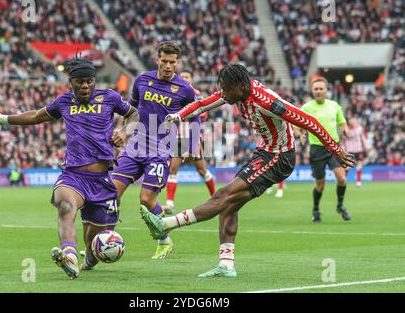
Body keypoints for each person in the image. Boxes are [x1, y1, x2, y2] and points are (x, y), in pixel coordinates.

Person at [140, 64, 355, 277]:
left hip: (279, 157)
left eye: (226, 89)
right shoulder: (235, 92)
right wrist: (178, 116)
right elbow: (202, 104)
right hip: (264, 153)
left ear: (241, 87)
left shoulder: (268, 103)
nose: (222, 93)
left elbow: (309, 121)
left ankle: (166, 224)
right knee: (229, 205)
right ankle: (226, 265)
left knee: (223, 195)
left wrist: (336, 149)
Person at [0, 56, 139, 279]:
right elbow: (36, 116)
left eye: (89, 81)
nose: (85, 86)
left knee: (94, 240)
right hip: (74, 176)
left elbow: (133, 113)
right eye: (80, 82)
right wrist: (2, 119)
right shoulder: (63, 102)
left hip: (103, 180)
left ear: (94, 81)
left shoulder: (110, 98)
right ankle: (70, 258)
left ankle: (87, 259)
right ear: (71, 82)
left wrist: (125, 131)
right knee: (66, 206)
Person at [111, 41, 200, 259]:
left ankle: (164, 240)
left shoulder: (185, 90)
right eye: (165, 61)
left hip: (160, 150)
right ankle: (105, 238)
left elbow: (196, 115)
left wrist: (193, 143)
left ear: (177, 63)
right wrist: (122, 130)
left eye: (173, 62)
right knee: (110, 193)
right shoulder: (142, 80)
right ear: (157, 59)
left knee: (146, 200)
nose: (168, 66)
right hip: (135, 146)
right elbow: (130, 109)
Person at [163, 69, 216, 214]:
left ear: (192, 79)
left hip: (192, 138)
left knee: (202, 170)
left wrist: (184, 114)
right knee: (173, 170)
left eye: (188, 76)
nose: (185, 78)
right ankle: (169, 203)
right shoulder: (174, 94)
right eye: (183, 76)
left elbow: (203, 115)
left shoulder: (197, 95)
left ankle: (215, 197)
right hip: (178, 138)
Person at [300, 77, 351, 223]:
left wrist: (344, 130)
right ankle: (316, 209)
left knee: (341, 178)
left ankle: (340, 206)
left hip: (334, 147)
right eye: (315, 89)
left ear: (326, 90)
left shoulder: (334, 106)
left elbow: (342, 123)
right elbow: (296, 124)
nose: (318, 91)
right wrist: (301, 134)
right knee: (320, 184)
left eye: (321, 88)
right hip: (316, 149)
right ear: (312, 91)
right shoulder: (307, 107)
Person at [342, 117, 368, 187]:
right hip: (350, 150)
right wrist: (343, 149)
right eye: (351, 121)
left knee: (359, 166)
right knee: (348, 166)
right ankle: (343, 180)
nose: (353, 122)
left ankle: (358, 182)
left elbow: (362, 138)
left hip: (358, 150)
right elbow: (344, 140)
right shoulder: (347, 129)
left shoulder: (358, 129)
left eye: (354, 121)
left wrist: (366, 147)